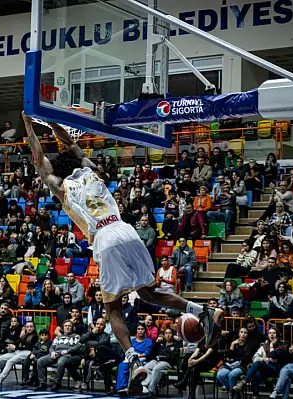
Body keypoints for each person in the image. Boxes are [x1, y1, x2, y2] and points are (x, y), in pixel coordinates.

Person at [22, 112, 221, 392]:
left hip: (104, 237)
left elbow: (38, 158)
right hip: (127, 230)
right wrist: (50, 119)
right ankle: (201, 310)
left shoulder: (60, 186)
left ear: (59, 169)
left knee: (112, 309)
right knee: (149, 292)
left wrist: (29, 124)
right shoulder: (91, 169)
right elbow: (70, 145)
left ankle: (133, 358)